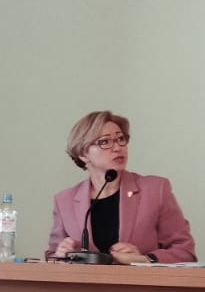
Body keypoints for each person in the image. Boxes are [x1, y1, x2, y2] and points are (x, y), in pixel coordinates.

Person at [46, 110, 195, 263]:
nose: (117, 147)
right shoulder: (64, 201)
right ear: (83, 154)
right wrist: (62, 255)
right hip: (83, 280)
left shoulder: (155, 190)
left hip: (139, 279)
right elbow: (51, 257)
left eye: (120, 139)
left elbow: (184, 251)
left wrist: (144, 259)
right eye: (105, 142)